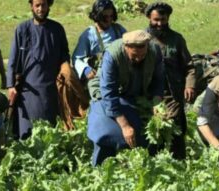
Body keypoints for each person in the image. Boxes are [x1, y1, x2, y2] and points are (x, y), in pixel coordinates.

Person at [87, 30, 164, 166]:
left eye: (142, 55)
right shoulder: (112, 55)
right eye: (134, 55)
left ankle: (145, 167)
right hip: (106, 94)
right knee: (106, 132)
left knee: (146, 132)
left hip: (135, 94)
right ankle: (100, 171)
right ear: (126, 47)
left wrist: (157, 102)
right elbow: (108, 93)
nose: (139, 58)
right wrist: (125, 125)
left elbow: (159, 80)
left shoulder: (154, 51)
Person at [6, 0, 70, 139]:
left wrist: (65, 72)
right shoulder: (22, 29)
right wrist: (11, 85)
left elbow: (65, 55)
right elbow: (13, 59)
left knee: (49, 135)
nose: (41, 9)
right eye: (37, 5)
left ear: (49, 6)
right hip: (27, 91)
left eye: (44, 5)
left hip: (50, 90)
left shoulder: (57, 29)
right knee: (26, 135)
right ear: (32, 6)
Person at [145, 2, 196, 159]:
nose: (159, 24)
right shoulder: (142, 40)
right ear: (149, 18)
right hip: (148, 96)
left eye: (163, 20)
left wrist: (190, 85)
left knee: (176, 132)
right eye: (156, 20)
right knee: (152, 133)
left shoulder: (177, 39)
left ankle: (178, 165)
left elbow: (189, 67)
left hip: (173, 94)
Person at [72, 0, 126, 99]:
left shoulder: (118, 30)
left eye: (111, 16)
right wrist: (85, 69)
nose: (109, 20)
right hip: (99, 76)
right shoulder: (89, 35)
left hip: (120, 72)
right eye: (105, 17)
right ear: (96, 16)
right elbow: (76, 58)